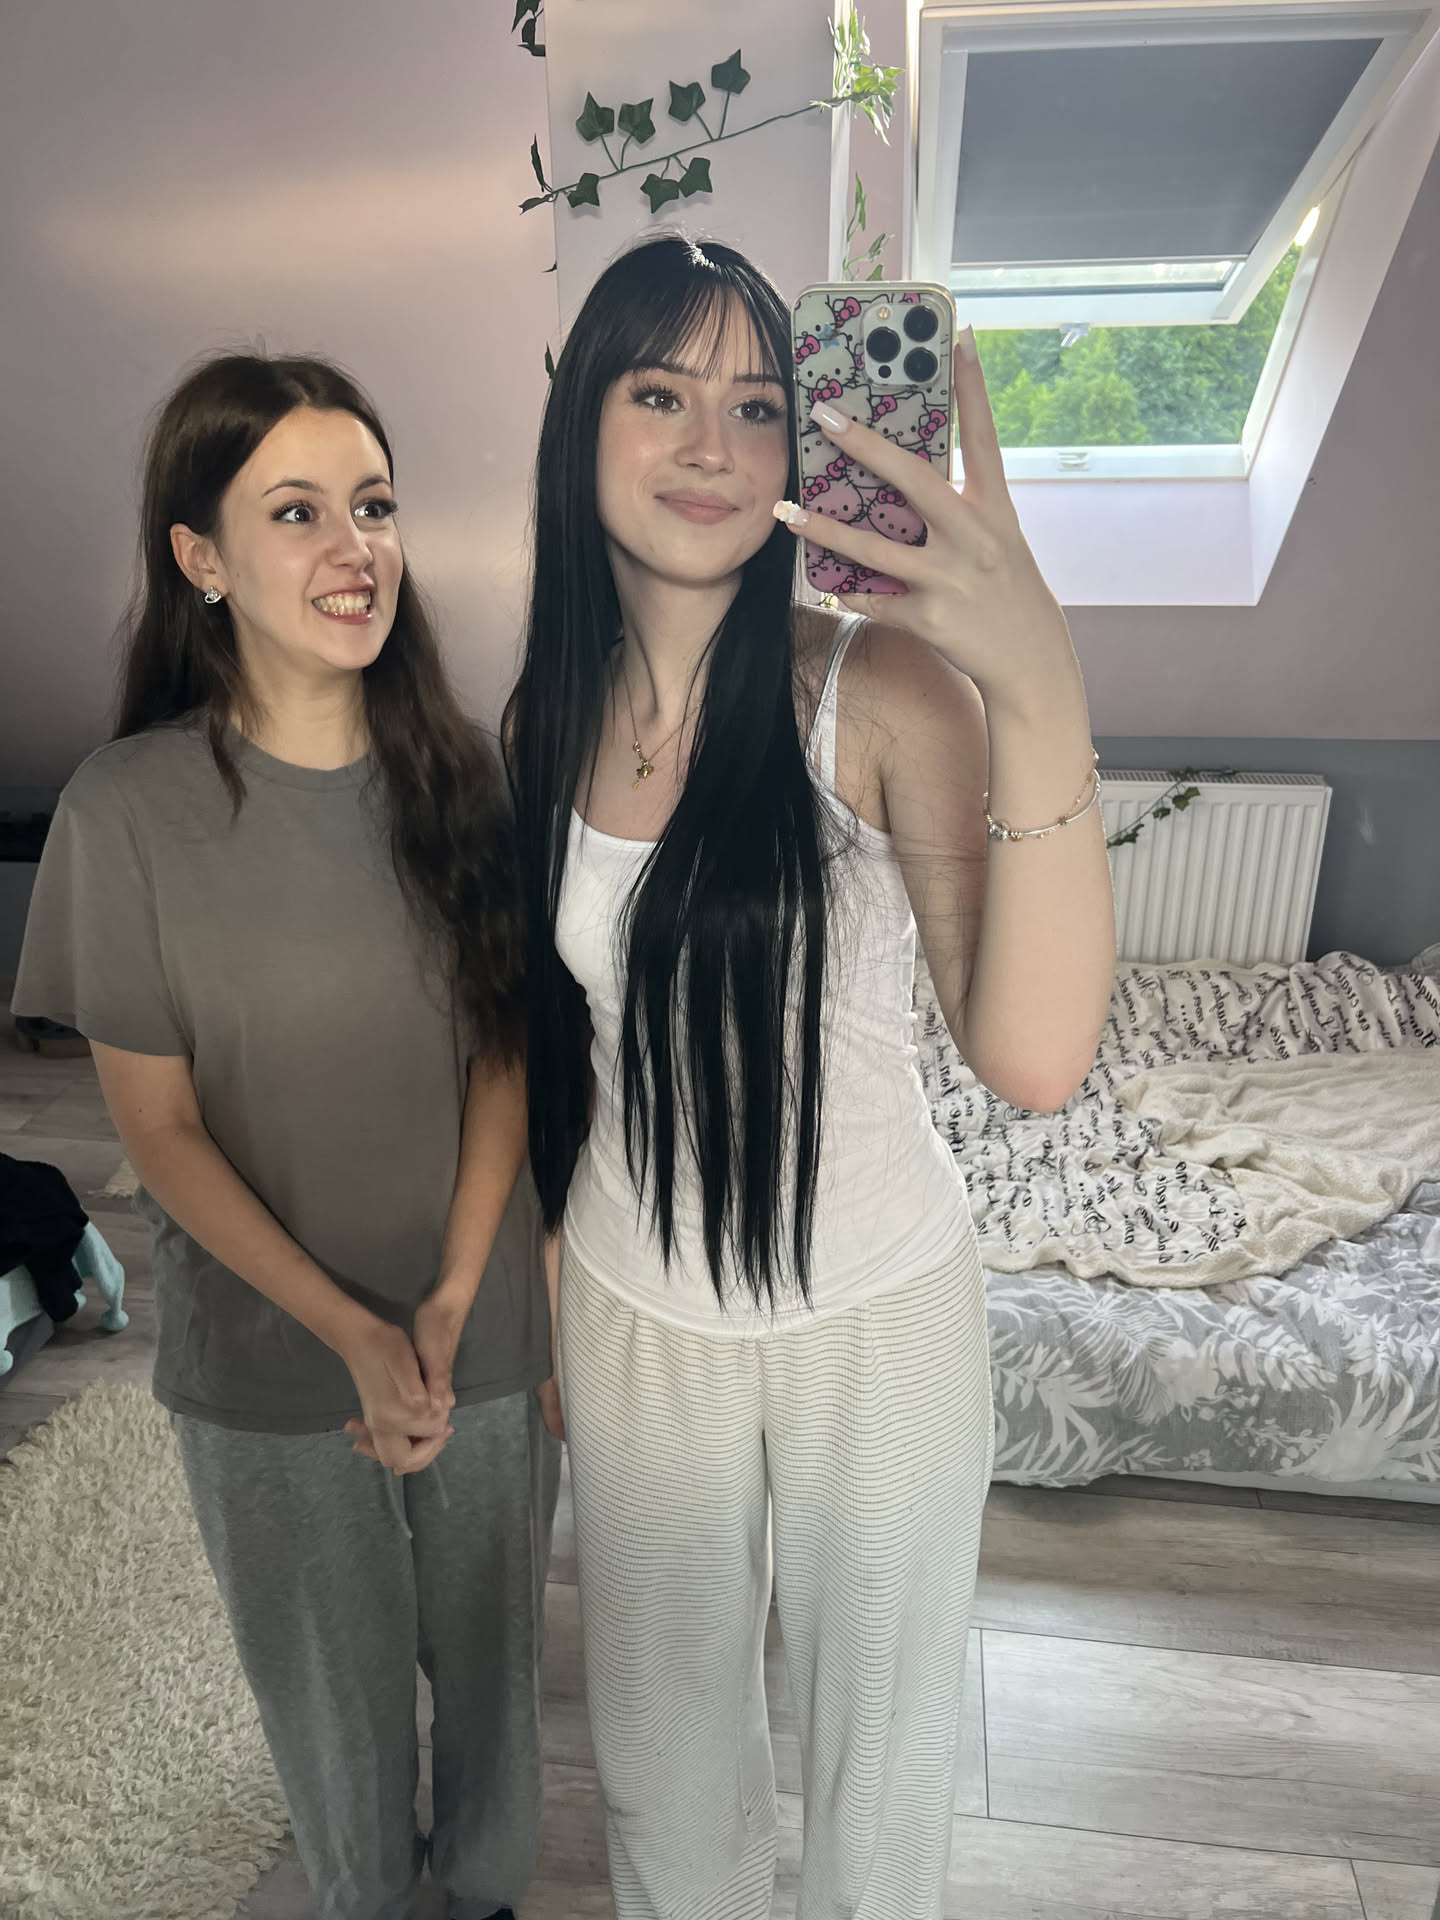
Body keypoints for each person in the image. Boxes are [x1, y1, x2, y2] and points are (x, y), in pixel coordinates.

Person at [504, 234, 1115, 1919]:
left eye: (761, 404)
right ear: (582, 420)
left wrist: (1035, 675)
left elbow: (1034, 1055)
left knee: (880, 1778)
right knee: (662, 1765)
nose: (712, 443)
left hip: (877, 1318)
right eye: (660, 394)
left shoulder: (878, 691)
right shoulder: (548, 713)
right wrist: (552, 1270)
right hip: (633, 1312)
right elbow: (564, 1031)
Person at [12, 353, 558, 1920]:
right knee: (336, 1719)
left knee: (496, 1694)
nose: (354, 548)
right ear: (201, 557)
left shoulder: (467, 775)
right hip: (265, 1357)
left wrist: (451, 1299)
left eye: (373, 506)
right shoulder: (123, 812)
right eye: (298, 512)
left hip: (482, 1330)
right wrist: (352, 1333)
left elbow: (505, 1059)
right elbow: (162, 1133)